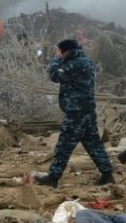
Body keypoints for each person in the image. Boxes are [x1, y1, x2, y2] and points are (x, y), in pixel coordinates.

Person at [35, 39, 114, 188]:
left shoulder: (74, 64)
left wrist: (56, 59)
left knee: (64, 145)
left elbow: (54, 76)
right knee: (93, 144)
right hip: (86, 111)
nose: (60, 55)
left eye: (61, 52)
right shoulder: (85, 61)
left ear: (66, 51)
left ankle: (53, 177)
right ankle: (107, 174)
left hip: (76, 112)